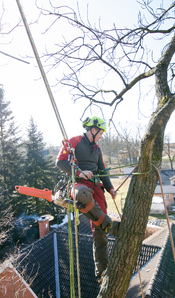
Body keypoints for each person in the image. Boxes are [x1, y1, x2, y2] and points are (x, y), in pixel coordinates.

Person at [55, 116, 120, 283]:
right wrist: (79, 173)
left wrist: (110, 188)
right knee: (82, 194)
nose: (101, 136)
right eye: (100, 133)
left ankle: (102, 271)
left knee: (99, 230)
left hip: (96, 187)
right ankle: (109, 224)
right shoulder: (74, 142)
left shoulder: (97, 150)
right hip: (78, 185)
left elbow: (103, 170)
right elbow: (60, 162)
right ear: (93, 129)